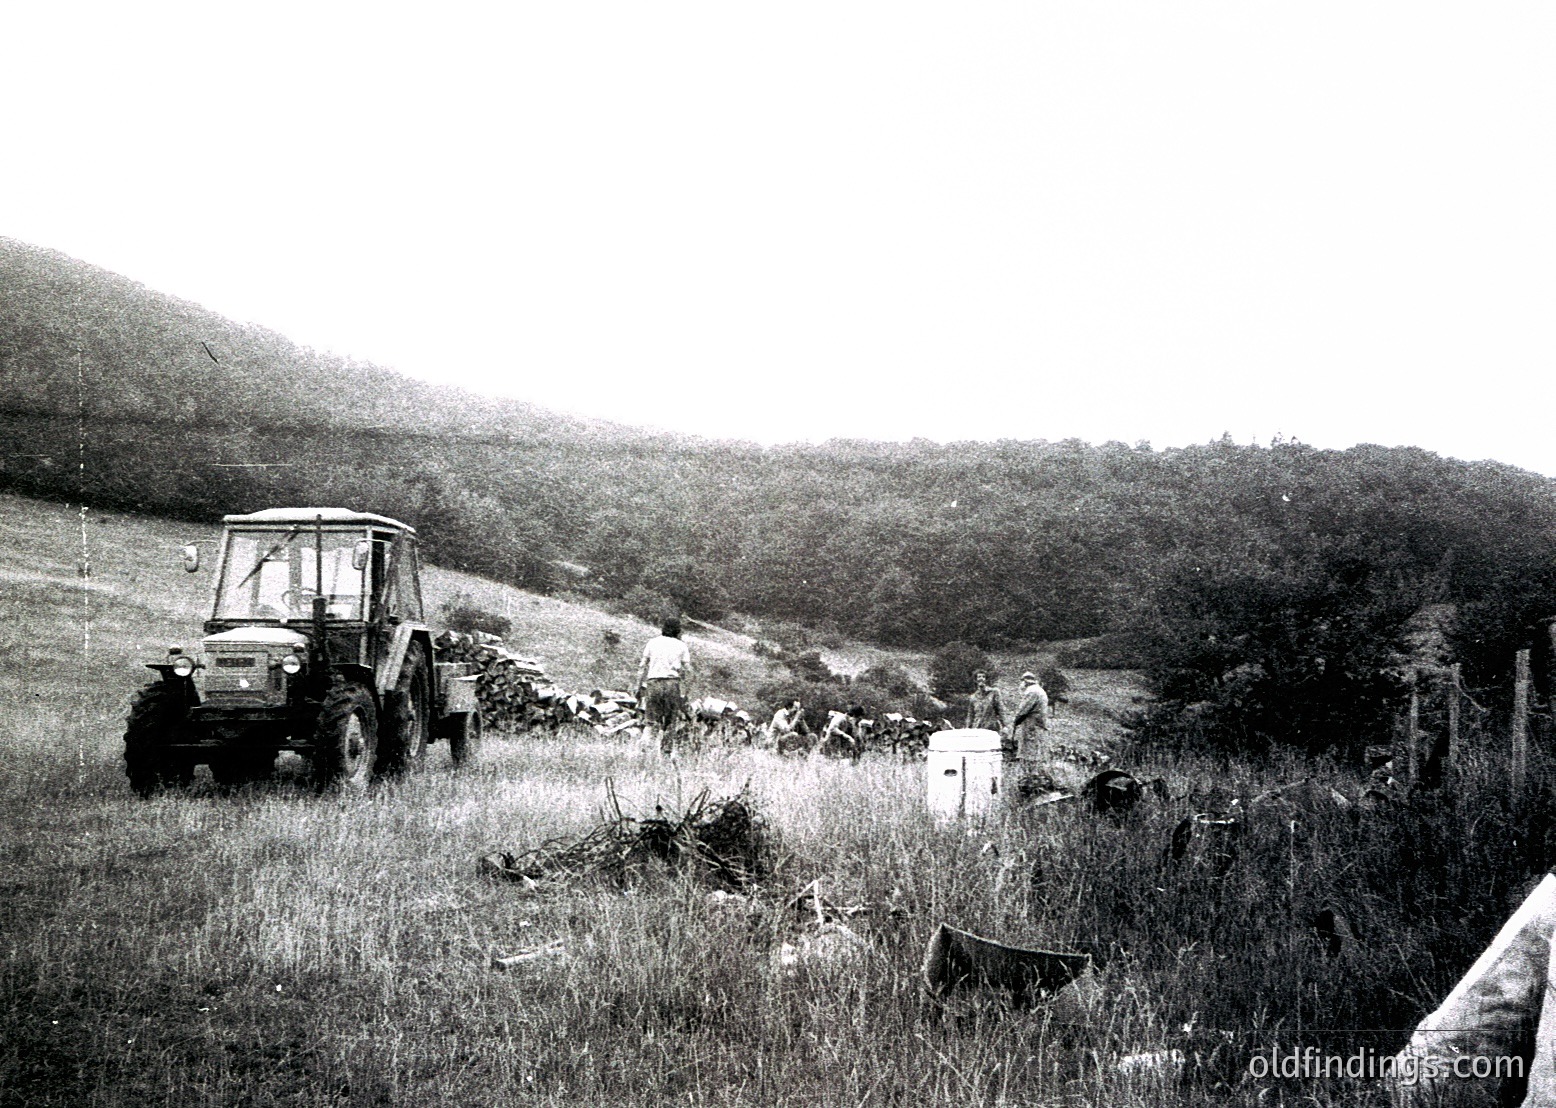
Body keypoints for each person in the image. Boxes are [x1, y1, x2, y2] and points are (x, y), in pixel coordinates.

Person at [636, 617, 692, 755]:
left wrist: (637, 687)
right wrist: (686, 692)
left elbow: (642, 666)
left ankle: (645, 751)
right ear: (678, 630)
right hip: (672, 684)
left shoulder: (652, 642)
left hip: (653, 683)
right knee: (670, 722)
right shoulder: (681, 645)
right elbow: (689, 670)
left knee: (651, 721)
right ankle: (665, 753)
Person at [1008, 671, 1051, 762]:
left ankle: (1029, 769)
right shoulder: (1039, 690)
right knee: (1036, 748)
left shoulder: (1031, 691)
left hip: (1032, 725)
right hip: (1038, 724)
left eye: (1022, 681)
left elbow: (1023, 710)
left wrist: (1015, 721)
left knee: (1029, 750)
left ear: (1025, 681)